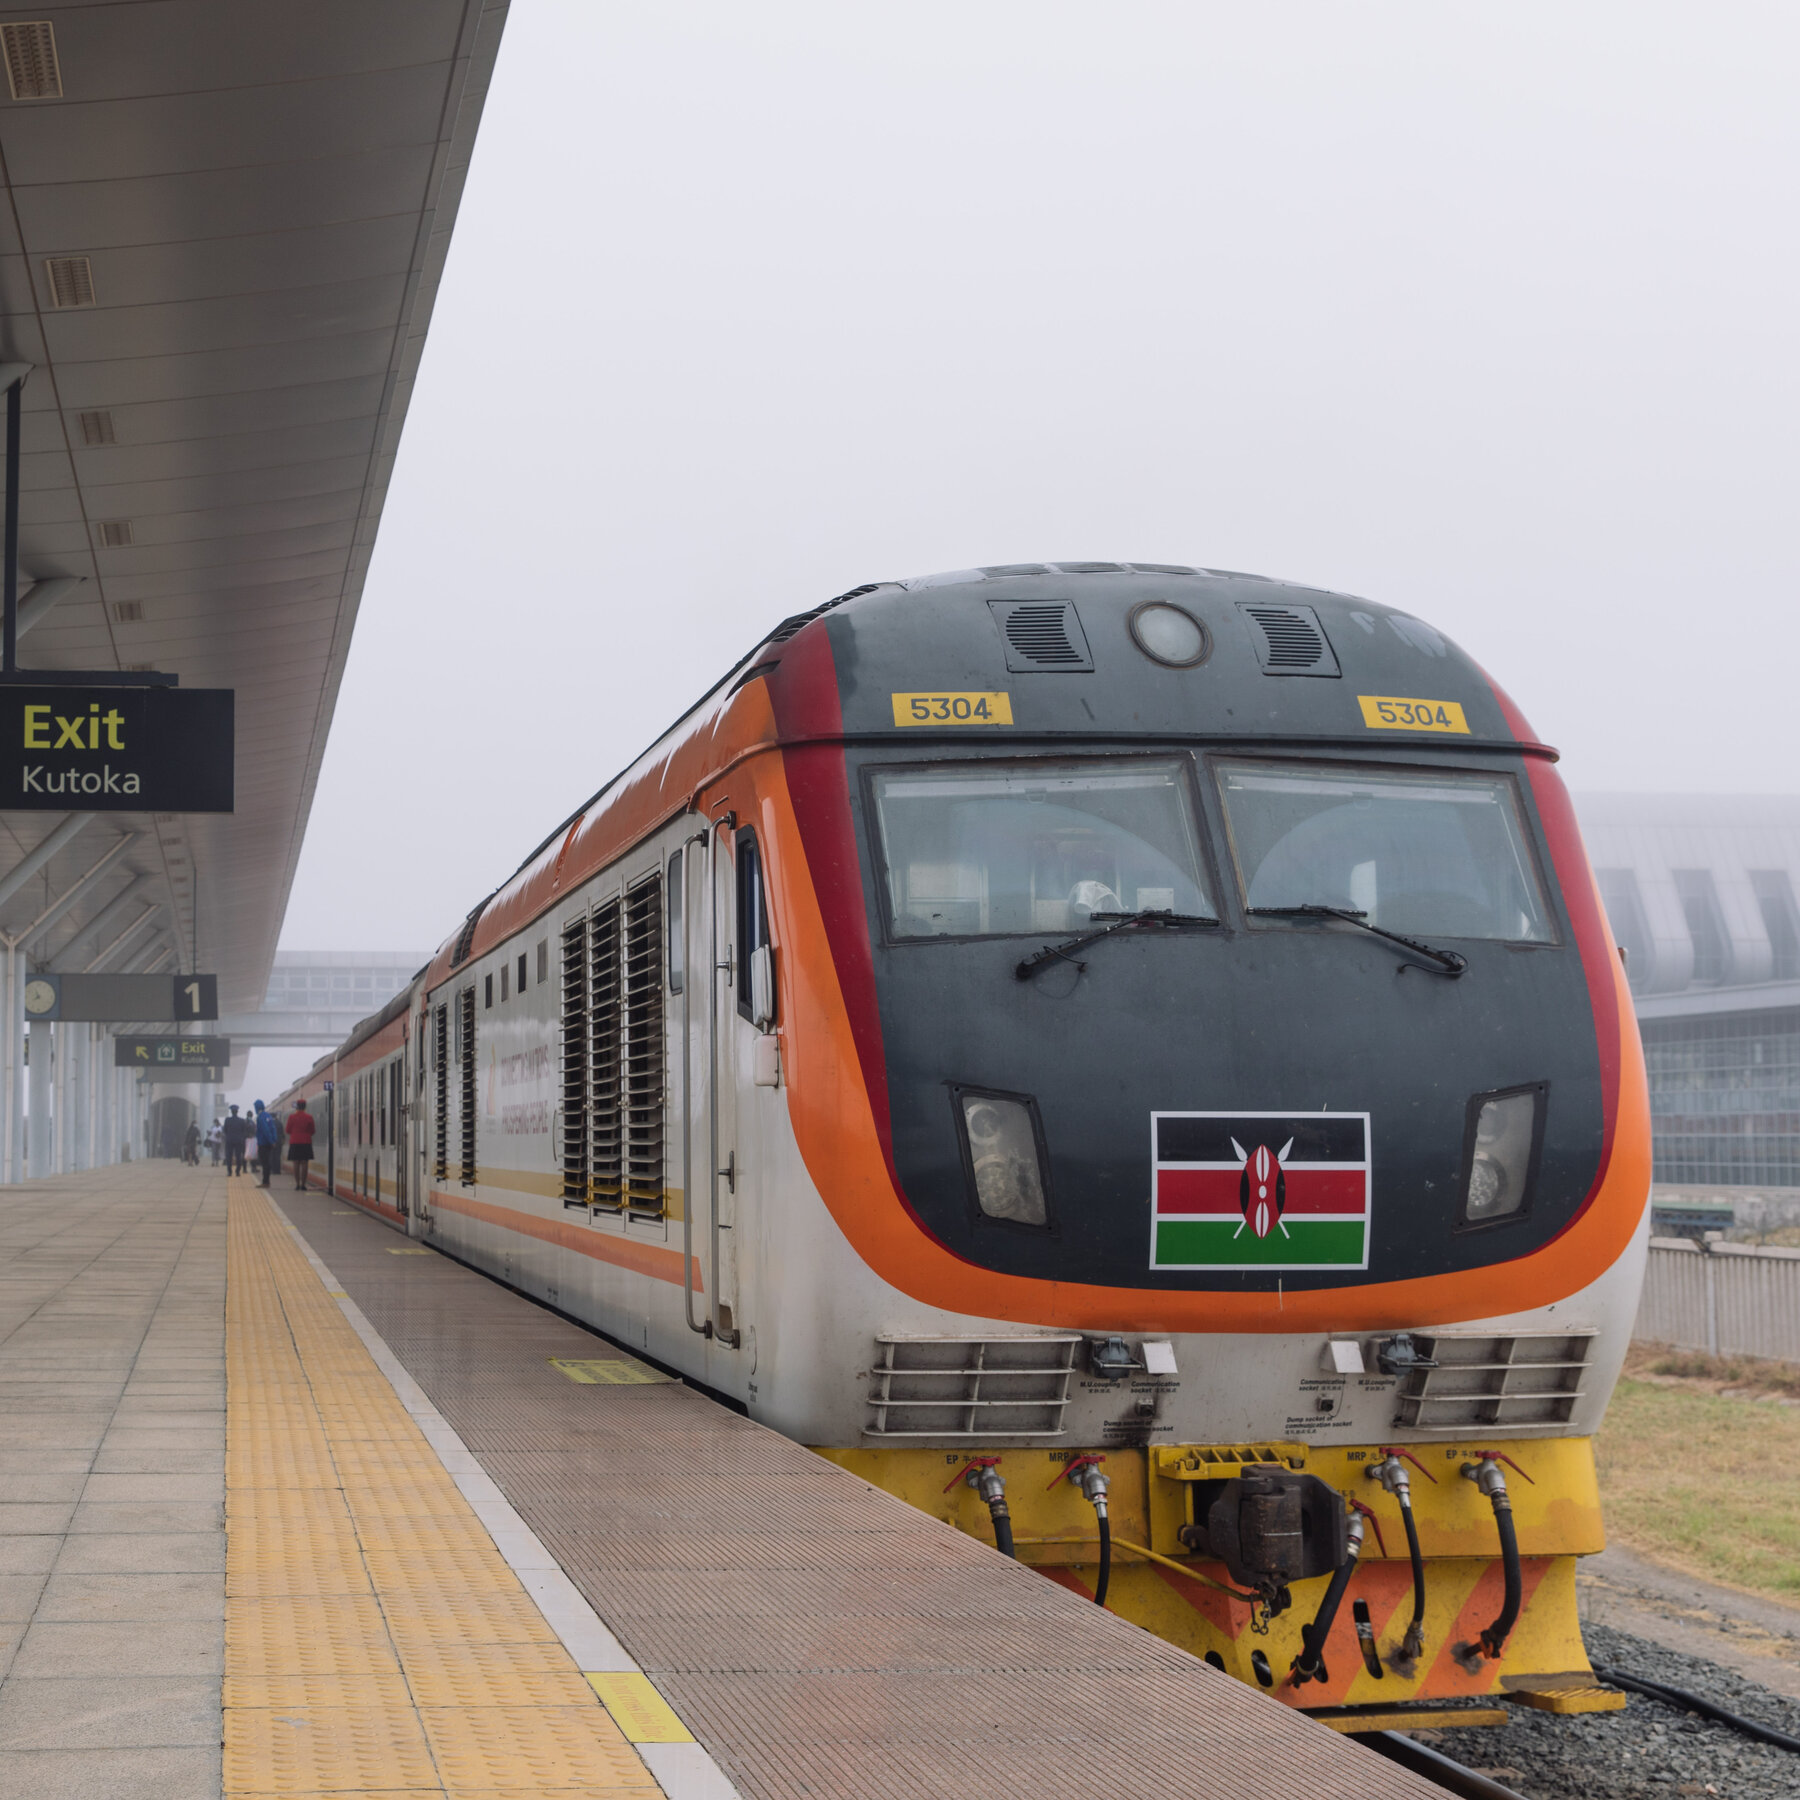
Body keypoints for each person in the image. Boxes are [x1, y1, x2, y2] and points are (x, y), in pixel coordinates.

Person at [285, 1098, 316, 1191]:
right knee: (304, 1162)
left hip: (294, 1142)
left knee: (296, 1163)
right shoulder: (309, 1117)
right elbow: (313, 1130)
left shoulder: (291, 1117)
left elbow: (287, 1130)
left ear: (297, 1107)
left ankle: (297, 1184)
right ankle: (303, 1185)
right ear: (305, 1107)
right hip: (306, 1142)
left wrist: (295, 1133)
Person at [253, 1099, 281, 1188]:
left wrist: (271, 1141)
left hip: (263, 1143)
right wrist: (274, 1140)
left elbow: (265, 1130)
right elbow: (273, 1129)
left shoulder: (260, 1117)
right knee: (267, 1162)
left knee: (265, 1163)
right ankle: (266, 1181)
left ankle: (265, 1182)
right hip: (268, 1143)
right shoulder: (268, 1116)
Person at [221, 1105, 249, 1176]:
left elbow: (225, 1130)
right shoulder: (242, 1120)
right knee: (238, 1156)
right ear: (237, 1112)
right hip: (239, 1141)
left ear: (231, 1112)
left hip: (229, 1140)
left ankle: (229, 1172)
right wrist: (241, 1137)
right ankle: (237, 1172)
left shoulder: (227, 1120)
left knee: (229, 1156)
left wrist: (229, 1136)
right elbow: (244, 1131)